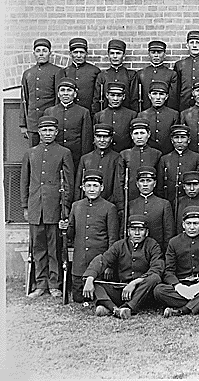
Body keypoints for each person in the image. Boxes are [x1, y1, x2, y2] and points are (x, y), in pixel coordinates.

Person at [21, 116, 74, 298]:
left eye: (51, 130)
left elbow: (68, 183)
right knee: (38, 247)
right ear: (39, 132)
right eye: (44, 130)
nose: (47, 133)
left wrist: (65, 206)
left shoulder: (64, 152)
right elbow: (24, 181)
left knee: (54, 247)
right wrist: (25, 206)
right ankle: (40, 284)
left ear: (56, 132)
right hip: (36, 206)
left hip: (55, 207)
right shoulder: (31, 153)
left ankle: (54, 284)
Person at [81, 215, 163, 319]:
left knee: (154, 278)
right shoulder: (119, 245)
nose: (137, 233)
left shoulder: (153, 245)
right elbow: (102, 260)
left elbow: (157, 268)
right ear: (128, 232)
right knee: (93, 279)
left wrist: (134, 283)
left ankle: (126, 308)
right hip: (122, 289)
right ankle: (114, 309)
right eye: (133, 230)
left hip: (141, 291)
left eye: (141, 230)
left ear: (147, 232)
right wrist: (89, 279)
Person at [59, 169, 119, 303]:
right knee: (79, 298)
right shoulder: (76, 206)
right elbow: (70, 234)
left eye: (95, 186)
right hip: (79, 265)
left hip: (99, 264)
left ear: (101, 188)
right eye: (88, 186)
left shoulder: (109, 208)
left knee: (99, 296)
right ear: (83, 187)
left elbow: (113, 239)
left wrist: (109, 265)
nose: (92, 189)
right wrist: (64, 227)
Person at [153, 206, 199, 317]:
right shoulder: (174, 242)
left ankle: (183, 310)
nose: (192, 227)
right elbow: (168, 271)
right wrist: (179, 287)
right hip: (183, 284)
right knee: (158, 291)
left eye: (195, 223)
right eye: (188, 223)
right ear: (183, 225)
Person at [75, 124, 125, 225]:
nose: (102, 140)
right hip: (87, 205)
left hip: (108, 205)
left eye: (105, 137)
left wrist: (119, 207)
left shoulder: (117, 158)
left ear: (111, 139)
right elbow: (78, 186)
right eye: (98, 136)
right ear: (94, 138)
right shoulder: (85, 159)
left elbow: (118, 186)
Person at [20, 38, 66, 147]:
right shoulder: (28, 73)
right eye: (38, 51)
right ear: (34, 53)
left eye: (44, 50)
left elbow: (58, 97)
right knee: (33, 153)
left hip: (50, 122)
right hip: (32, 123)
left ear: (50, 53)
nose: (41, 53)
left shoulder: (57, 71)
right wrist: (23, 124)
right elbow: (24, 99)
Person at [44, 77, 93, 172]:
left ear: (75, 94)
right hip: (54, 155)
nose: (65, 93)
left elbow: (86, 139)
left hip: (75, 157)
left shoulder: (83, 112)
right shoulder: (50, 112)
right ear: (58, 94)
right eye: (62, 90)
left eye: (69, 90)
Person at [128, 166, 176, 254]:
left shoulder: (164, 204)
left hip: (157, 251)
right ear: (137, 184)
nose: (145, 184)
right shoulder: (131, 204)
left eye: (149, 181)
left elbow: (169, 233)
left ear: (154, 183)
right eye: (142, 181)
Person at [156, 125, 199, 210]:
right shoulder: (164, 159)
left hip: (190, 202)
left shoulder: (197, 158)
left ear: (188, 140)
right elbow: (160, 184)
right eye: (176, 138)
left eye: (183, 137)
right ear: (172, 140)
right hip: (169, 201)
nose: (179, 141)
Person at [120, 118, 162, 202]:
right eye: (136, 133)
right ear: (131, 135)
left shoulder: (156, 154)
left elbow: (160, 181)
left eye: (142, 133)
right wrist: (121, 204)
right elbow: (119, 182)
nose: (139, 137)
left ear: (149, 134)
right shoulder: (124, 155)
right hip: (130, 199)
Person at [93, 39, 139, 114]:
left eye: (118, 53)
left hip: (126, 116)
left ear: (123, 56)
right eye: (112, 53)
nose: (115, 56)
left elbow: (134, 99)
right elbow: (96, 99)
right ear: (108, 55)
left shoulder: (131, 75)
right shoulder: (102, 75)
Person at [138, 80, 180, 155]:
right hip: (148, 155)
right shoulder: (142, 115)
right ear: (149, 96)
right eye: (154, 94)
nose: (158, 97)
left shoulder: (174, 114)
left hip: (168, 154)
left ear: (166, 96)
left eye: (161, 94)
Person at [93, 81, 137, 153]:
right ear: (107, 95)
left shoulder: (132, 115)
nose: (115, 99)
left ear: (124, 97)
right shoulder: (99, 116)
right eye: (112, 95)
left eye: (119, 95)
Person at [137, 40, 178, 111]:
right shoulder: (141, 73)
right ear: (148, 54)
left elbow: (172, 99)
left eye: (159, 52)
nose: (156, 55)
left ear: (164, 55)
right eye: (153, 52)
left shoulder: (171, 74)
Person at [65, 37, 100, 114]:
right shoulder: (65, 71)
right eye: (75, 52)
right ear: (70, 54)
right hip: (69, 113)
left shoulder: (94, 71)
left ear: (86, 53)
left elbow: (97, 95)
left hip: (88, 112)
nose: (78, 55)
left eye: (82, 52)